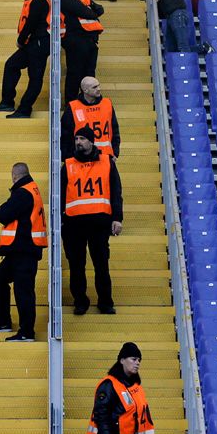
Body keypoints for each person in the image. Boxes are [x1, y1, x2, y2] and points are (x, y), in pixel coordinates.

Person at [61, 126, 122, 315]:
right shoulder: (68, 165)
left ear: (91, 141)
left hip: (99, 223)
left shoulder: (107, 162)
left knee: (101, 265)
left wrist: (117, 218)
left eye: (82, 138)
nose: (78, 142)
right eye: (76, 138)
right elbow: (60, 195)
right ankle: (81, 301)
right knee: (76, 266)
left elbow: (116, 191)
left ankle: (105, 302)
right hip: (73, 224)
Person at [0, 163, 47, 342]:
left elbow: (3, 214)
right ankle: (3, 322)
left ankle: (27, 332)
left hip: (23, 250)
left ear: (14, 176)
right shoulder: (31, 189)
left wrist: (2, 208)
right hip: (20, 250)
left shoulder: (22, 193)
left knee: (23, 291)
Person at [0, 0, 50, 119]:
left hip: (38, 43)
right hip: (32, 43)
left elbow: (31, 23)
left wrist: (21, 40)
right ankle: (7, 102)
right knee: (11, 65)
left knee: (35, 78)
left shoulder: (39, 0)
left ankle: (24, 109)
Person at [61, 0, 104, 104]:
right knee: (75, 73)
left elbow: (99, 9)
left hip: (89, 40)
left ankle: (88, 103)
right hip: (76, 40)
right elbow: (89, 13)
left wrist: (92, 10)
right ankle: (71, 104)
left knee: (89, 73)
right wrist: (92, 10)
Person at [61, 77, 120, 159]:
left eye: (99, 86)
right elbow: (65, 134)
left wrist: (115, 152)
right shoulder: (73, 107)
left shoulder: (107, 104)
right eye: (94, 87)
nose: (99, 89)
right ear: (85, 90)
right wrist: (69, 156)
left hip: (105, 157)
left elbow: (114, 129)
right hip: (81, 158)